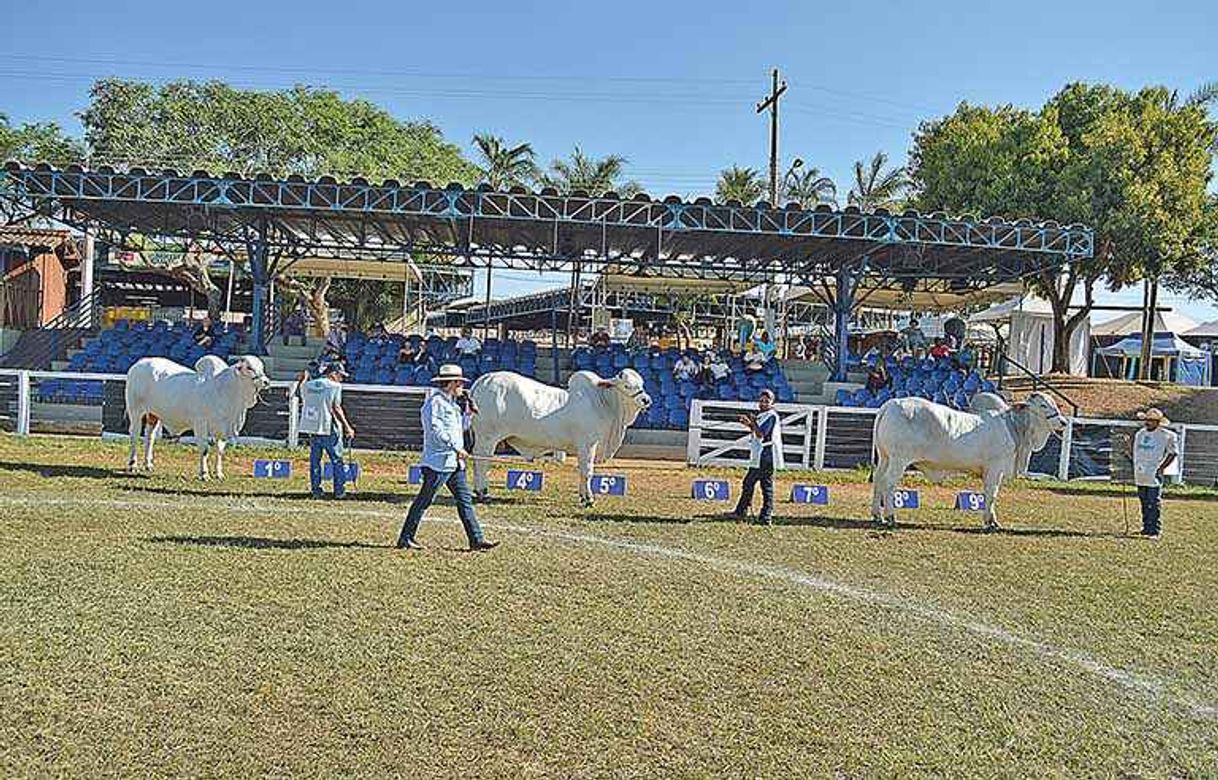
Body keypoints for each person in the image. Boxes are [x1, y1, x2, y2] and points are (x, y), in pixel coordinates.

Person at [396, 364, 499, 552]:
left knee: (465, 500)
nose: (462, 386)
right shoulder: (434, 403)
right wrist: (456, 447)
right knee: (424, 500)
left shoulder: (451, 404)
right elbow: (435, 430)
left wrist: (469, 413)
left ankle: (476, 539)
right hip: (438, 462)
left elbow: (459, 429)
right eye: (459, 382)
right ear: (451, 383)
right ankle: (406, 538)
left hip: (454, 463)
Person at [298, 362, 355, 500]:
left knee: (315, 461)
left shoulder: (309, 385)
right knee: (337, 460)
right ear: (333, 374)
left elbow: (301, 389)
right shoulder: (335, 386)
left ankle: (316, 490)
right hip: (328, 427)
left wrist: (304, 377)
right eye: (340, 375)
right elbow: (336, 408)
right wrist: (347, 426)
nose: (341, 379)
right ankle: (339, 491)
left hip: (312, 427)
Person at [731, 389, 784, 525]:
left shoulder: (771, 416)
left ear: (772, 403)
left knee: (765, 486)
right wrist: (749, 424)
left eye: (766, 401)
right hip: (759, 455)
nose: (763, 403)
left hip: (766, 455)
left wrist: (753, 422)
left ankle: (765, 515)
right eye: (761, 401)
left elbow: (761, 434)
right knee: (749, 482)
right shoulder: (764, 415)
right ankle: (743, 510)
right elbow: (757, 430)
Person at [1131, 408, 1178, 539]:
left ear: (1158, 422)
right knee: (1144, 501)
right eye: (1147, 420)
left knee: (1153, 501)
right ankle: (1146, 527)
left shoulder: (1166, 435)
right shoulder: (1140, 434)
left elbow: (1173, 453)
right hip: (1140, 472)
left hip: (1154, 472)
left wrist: (1161, 468)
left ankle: (1154, 530)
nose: (1148, 422)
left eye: (1151, 420)